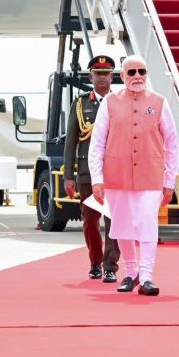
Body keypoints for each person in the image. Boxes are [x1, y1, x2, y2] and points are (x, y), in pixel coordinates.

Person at [88, 55, 178, 296]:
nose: (137, 76)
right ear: (122, 76)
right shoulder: (110, 102)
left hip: (151, 175)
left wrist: (169, 181)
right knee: (122, 225)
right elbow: (97, 143)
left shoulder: (159, 102)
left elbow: (172, 143)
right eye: (131, 72)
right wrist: (97, 179)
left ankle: (147, 277)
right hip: (117, 175)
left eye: (142, 71)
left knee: (148, 223)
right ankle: (131, 272)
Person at [64, 55, 121, 282]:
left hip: (114, 173)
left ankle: (110, 266)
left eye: (106, 73)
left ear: (112, 77)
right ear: (91, 77)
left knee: (113, 220)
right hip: (87, 172)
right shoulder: (80, 105)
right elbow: (71, 142)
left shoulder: (119, 102)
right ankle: (95, 262)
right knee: (90, 220)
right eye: (98, 74)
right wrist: (69, 176)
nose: (102, 78)